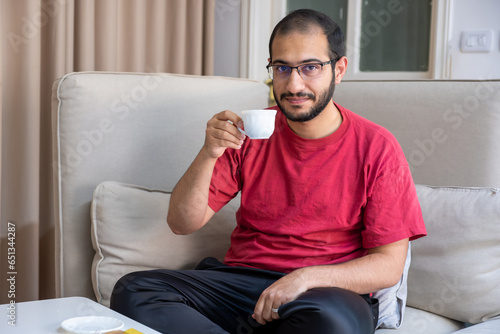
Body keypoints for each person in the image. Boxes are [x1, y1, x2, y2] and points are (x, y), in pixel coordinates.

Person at [110, 9, 426, 334]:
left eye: (310, 67)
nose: (294, 83)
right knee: (133, 290)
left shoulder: (378, 147)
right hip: (241, 284)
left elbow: (389, 266)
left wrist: (305, 278)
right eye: (282, 67)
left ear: (339, 70)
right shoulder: (250, 133)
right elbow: (182, 222)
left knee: (337, 323)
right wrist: (209, 153)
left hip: (322, 294)